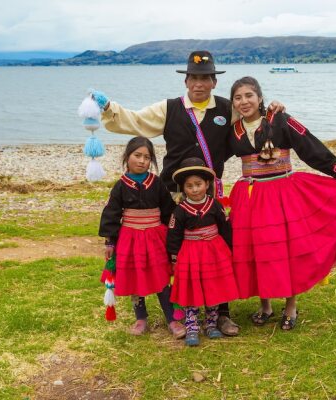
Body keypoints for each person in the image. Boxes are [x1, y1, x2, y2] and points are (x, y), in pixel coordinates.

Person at [90, 50, 285, 336]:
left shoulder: (227, 107)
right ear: (186, 81)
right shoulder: (168, 109)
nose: (199, 83)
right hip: (174, 195)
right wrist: (109, 108)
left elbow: (252, 115)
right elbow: (135, 121)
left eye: (205, 78)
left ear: (214, 82)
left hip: (209, 194)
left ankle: (221, 314)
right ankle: (181, 313)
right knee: (175, 255)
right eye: (194, 77)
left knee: (217, 255)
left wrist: (273, 108)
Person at [227, 76, 336, 330]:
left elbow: (307, 144)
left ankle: (290, 306)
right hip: (250, 195)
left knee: (285, 249)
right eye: (238, 97)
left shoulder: (280, 119)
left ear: (260, 97)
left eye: (249, 95)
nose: (244, 101)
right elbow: (211, 152)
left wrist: (334, 169)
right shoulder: (233, 130)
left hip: (281, 192)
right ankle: (265, 305)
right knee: (259, 250)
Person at [98, 137, 185, 339]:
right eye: (137, 155)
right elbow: (111, 213)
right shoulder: (120, 186)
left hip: (155, 237)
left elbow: (168, 211)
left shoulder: (157, 183)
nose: (142, 161)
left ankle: (172, 318)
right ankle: (141, 318)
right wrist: (110, 241)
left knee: (162, 278)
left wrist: (177, 230)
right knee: (134, 278)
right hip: (129, 238)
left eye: (147, 157)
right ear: (127, 157)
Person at [166, 157, 239, 346]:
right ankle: (191, 326)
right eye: (189, 186)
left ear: (207, 184)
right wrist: (174, 257)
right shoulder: (180, 211)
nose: (195, 189)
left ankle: (211, 324)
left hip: (214, 251)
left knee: (213, 286)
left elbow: (225, 228)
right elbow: (173, 235)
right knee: (193, 288)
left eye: (198, 184)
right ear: (183, 188)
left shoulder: (215, 205)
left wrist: (229, 250)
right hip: (190, 253)